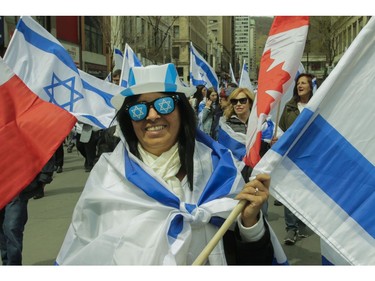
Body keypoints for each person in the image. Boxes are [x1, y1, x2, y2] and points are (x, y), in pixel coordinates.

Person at [56, 63, 277, 265]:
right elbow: (85, 251)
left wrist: (250, 224)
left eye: (164, 104)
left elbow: (253, 262)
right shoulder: (108, 177)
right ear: (129, 119)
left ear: (181, 110)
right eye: (138, 109)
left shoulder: (220, 171)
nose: (151, 116)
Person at [277, 73, 315, 245]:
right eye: (298, 83)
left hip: (310, 156)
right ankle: (291, 228)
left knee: (305, 191)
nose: (300, 85)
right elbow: (282, 129)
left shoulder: (316, 105)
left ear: (310, 86)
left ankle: (302, 222)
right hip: (291, 156)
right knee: (290, 190)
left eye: (304, 83)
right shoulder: (289, 107)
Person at [0, 156, 55, 265]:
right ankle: (7, 263)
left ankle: (13, 266)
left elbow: (42, 142)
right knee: (2, 232)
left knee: (12, 228)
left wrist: (45, 174)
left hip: (17, 186)